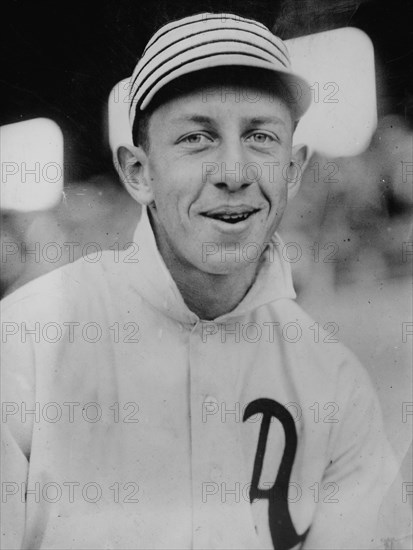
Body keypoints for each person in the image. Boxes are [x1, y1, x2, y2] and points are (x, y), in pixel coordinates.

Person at [1, 12, 407, 550]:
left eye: (261, 136)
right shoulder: (27, 344)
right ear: (138, 172)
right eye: (197, 137)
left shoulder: (334, 384)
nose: (234, 173)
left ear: (292, 168)